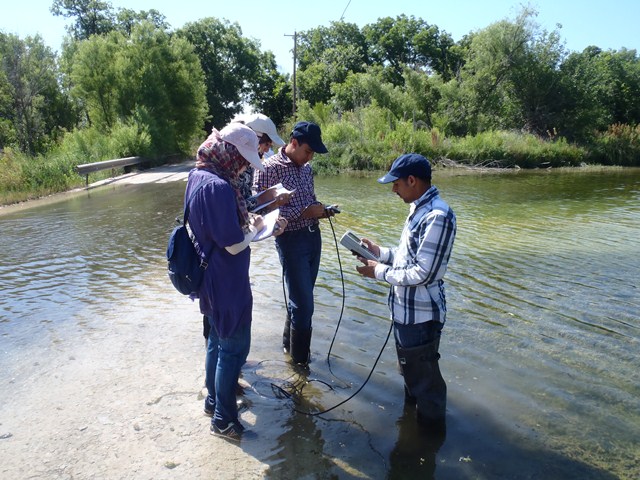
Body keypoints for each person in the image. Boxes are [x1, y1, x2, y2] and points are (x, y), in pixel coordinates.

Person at [186, 122, 280, 441]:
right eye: (242, 159)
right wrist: (261, 230)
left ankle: (213, 403)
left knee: (216, 339)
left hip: (210, 276)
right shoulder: (219, 187)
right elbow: (233, 244)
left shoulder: (199, 175)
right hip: (225, 279)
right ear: (229, 152)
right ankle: (224, 420)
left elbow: (216, 228)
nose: (243, 166)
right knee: (232, 347)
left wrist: (247, 222)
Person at [354, 153, 456, 428]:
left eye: (396, 183)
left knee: (427, 387)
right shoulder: (419, 209)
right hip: (405, 312)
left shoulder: (438, 215)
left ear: (412, 180)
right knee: (412, 378)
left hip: (421, 318)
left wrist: (377, 270)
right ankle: (413, 430)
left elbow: (423, 273)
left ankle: (430, 441)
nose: (393, 189)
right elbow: (408, 257)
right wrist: (380, 253)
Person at [253, 121, 338, 366]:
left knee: (303, 299)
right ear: (293, 143)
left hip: (313, 237)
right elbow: (261, 214)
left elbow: (309, 201)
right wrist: (302, 213)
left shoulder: (306, 168)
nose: (309, 157)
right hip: (291, 241)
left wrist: (322, 211)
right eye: (307, 151)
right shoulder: (267, 168)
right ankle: (301, 365)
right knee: (304, 305)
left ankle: (289, 351)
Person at [201, 113, 290, 344]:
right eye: (266, 143)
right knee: (220, 326)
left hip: (222, 249)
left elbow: (241, 205)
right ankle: (225, 362)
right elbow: (234, 209)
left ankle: (222, 363)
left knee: (217, 321)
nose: (266, 149)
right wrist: (268, 203)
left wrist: (266, 201)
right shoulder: (233, 162)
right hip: (222, 253)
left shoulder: (222, 159)